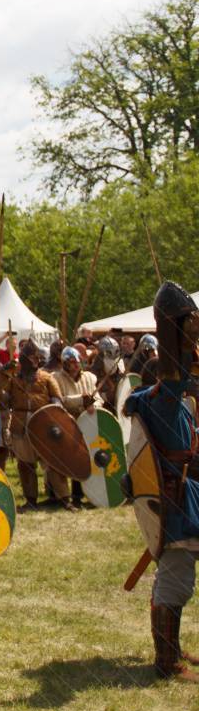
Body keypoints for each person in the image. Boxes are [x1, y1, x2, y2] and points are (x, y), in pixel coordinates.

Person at [127, 281, 199, 681]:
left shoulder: (168, 404)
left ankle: (173, 649)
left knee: (178, 579)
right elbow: (174, 373)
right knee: (174, 581)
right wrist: (175, 323)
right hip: (174, 504)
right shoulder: (163, 401)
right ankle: (166, 661)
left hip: (184, 497)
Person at [0, 338, 72, 510]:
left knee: (54, 463)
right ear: (24, 360)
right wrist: (0, 380)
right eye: (32, 358)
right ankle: (31, 501)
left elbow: (57, 399)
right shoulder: (13, 379)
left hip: (44, 423)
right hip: (20, 424)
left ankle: (64, 499)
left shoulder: (47, 377)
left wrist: (56, 416)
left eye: (37, 358)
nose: (36, 361)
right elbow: (5, 401)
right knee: (25, 465)